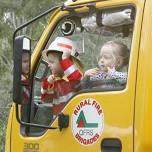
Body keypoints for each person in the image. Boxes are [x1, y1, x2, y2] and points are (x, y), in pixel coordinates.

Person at [41, 37, 83, 116]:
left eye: (51, 62)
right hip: (58, 124)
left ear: (68, 61)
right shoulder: (56, 83)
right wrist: (47, 83)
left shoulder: (75, 80)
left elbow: (76, 80)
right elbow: (45, 99)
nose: (48, 65)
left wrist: (64, 60)